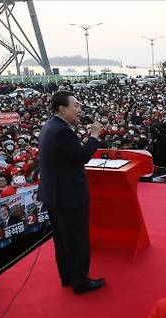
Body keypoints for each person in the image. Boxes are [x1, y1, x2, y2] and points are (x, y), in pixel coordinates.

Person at [37, 90, 104, 294]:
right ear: (62, 108)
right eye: (75, 105)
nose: (79, 109)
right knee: (76, 240)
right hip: (68, 196)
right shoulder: (62, 131)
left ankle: (67, 276)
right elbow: (81, 156)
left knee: (63, 240)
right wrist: (93, 136)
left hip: (54, 195)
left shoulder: (50, 126)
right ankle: (80, 282)